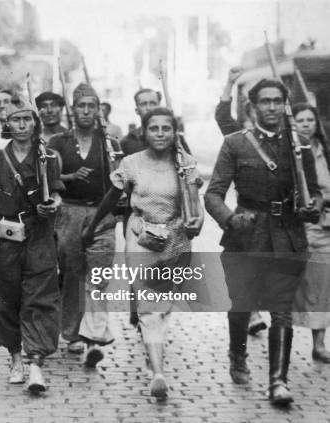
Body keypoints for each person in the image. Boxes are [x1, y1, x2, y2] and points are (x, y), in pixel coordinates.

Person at [205, 79, 321, 405]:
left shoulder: (299, 146)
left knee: (281, 310)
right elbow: (213, 194)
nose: (271, 107)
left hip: (288, 236)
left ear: (285, 104)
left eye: (277, 101)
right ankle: (237, 354)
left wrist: (313, 206)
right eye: (265, 101)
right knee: (242, 305)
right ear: (252, 107)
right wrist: (229, 219)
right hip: (246, 235)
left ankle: (278, 382)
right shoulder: (235, 144)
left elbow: (315, 195)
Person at [83, 107, 203, 399]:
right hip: (141, 237)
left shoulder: (185, 163)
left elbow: (194, 203)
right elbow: (113, 196)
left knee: (164, 308)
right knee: (150, 308)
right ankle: (158, 373)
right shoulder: (131, 163)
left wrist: (197, 221)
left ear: (175, 132)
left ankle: (153, 356)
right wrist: (94, 226)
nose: (160, 134)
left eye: (166, 128)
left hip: (176, 240)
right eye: (154, 128)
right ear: (144, 131)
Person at [0, 95, 64, 393]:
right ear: (7, 124)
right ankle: (15, 357)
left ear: (35, 123)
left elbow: (58, 193)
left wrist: (53, 205)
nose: (22, 125)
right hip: (4, 239)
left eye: (27, 119)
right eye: (16, 119)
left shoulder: (48, 157)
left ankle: (36, 362)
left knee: (40, 298)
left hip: (39, 236)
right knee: (7, 300)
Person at [48, 83, 116, 363]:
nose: (86, 111)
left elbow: (120, 181)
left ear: (99, 110)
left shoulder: (109, 143)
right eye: (81, 106)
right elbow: (48, 178)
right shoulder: (58, 143)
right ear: (72, 110)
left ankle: (94, 338)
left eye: (92, 106)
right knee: (73, 275)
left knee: (98, 277)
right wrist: (70, 178)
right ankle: (72, 333)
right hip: (69, 215)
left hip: (102, 215)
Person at [214, 67, 267, 336]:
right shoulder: (240, 138)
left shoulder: (287, 139)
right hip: (249, 217)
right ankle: (253, 313)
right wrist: (229, 82)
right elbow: (222, 116)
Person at [291, 103, 330, 363]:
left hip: (324, 227)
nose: (306, 124)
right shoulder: (290, 150)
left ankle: (319, 343)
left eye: (309, 119)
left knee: (322, 285)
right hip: (296, 226)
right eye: (300, 120)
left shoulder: (325, 151)